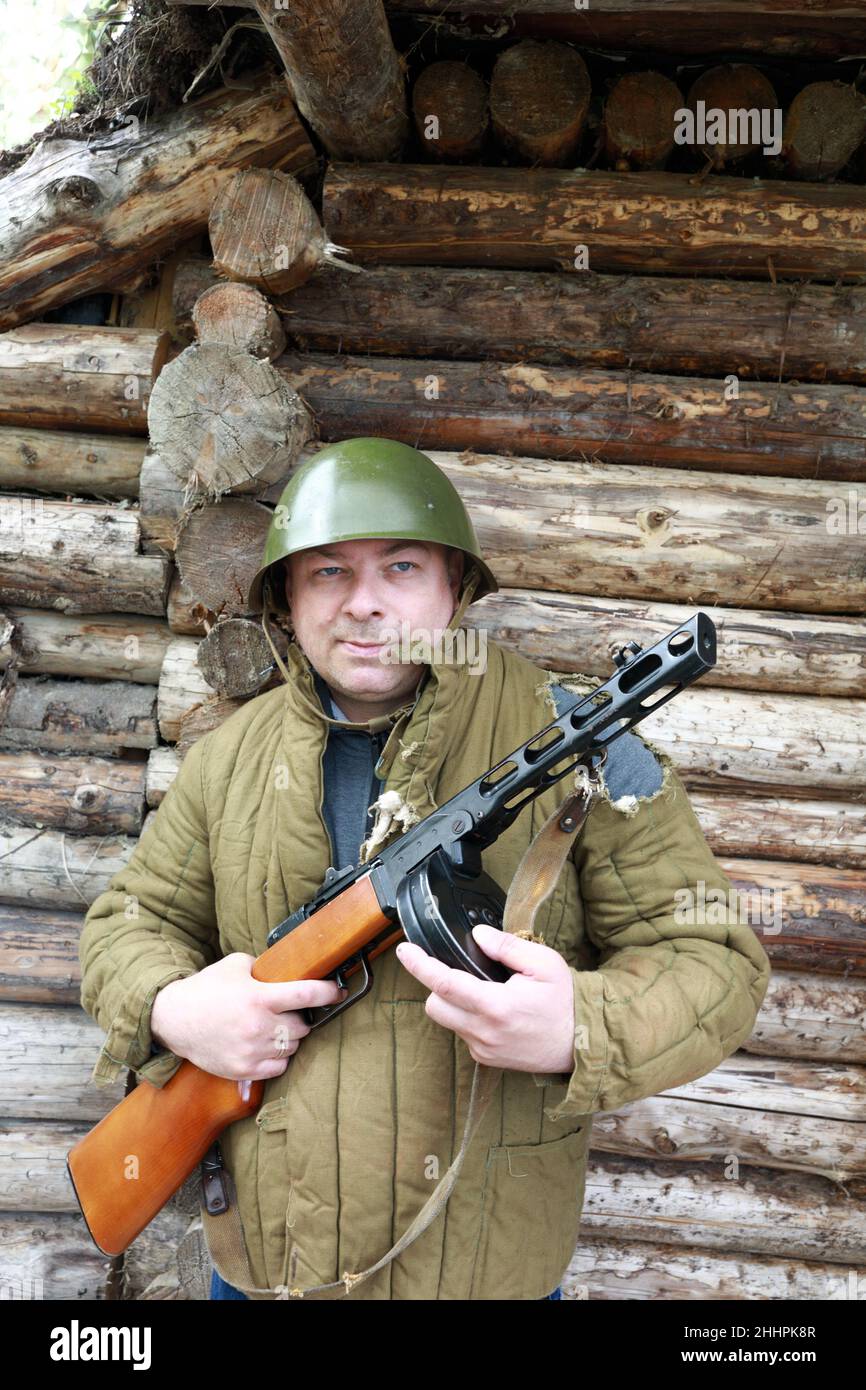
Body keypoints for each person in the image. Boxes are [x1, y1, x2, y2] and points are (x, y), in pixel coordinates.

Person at [79, 437, 771, 1301]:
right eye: (327, 573)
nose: (365, 605)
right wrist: (174, 1006)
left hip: (482, 1273)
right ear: (288, 601)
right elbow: (129, 923)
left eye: (400, 567)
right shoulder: (228, 760)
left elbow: (714, 962)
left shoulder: (580, 748)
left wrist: (577, 1026)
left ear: (453, 589)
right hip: (268, 1272)